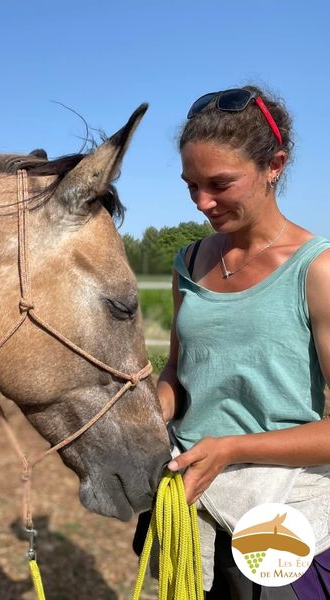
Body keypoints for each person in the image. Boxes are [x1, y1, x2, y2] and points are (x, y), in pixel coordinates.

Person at [157, 85, 330, 599]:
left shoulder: (316, 271)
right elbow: (179, 372)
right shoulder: (189, 263)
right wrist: (154, 407)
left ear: (274, 165)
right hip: (191, 511)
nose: (202, 203)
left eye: (220, 184)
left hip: (280, 519)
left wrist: (230, 448)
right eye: (191, 186)